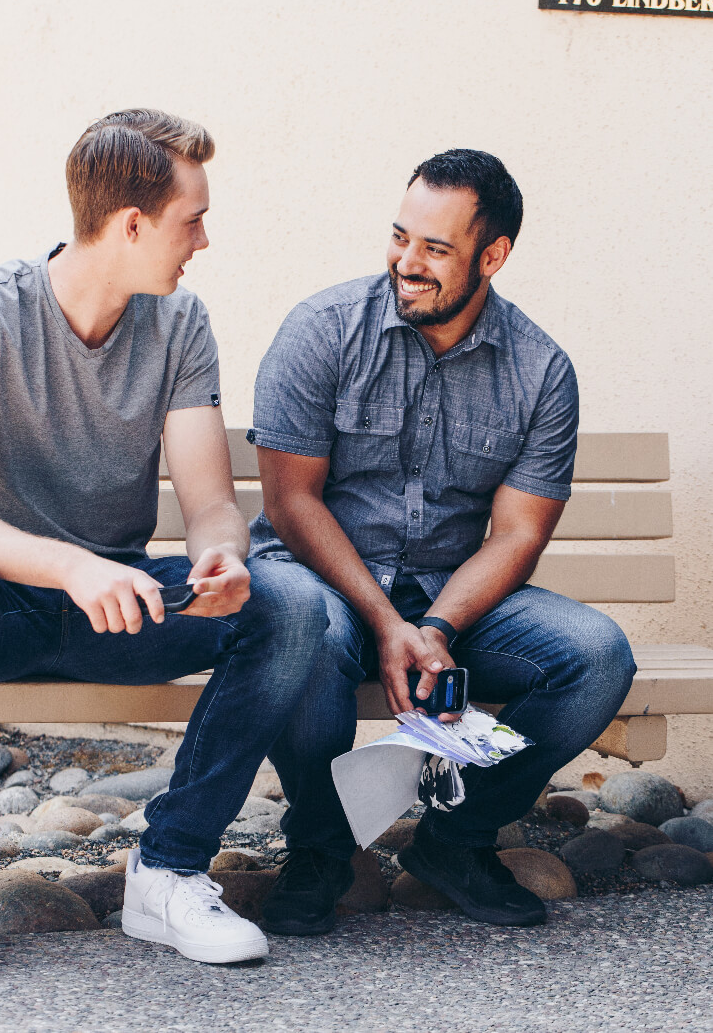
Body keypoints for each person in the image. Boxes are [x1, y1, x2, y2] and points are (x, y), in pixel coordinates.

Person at [0, 109, 328, 973]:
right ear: (132, 225)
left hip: (119, 609)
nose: (203, 239)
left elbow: (209, 500)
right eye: (191, 219)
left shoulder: (179, 325)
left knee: (291, 605)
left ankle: (167, 872)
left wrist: (222, 556)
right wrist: (70, 565)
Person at [248, 149, 636, 935]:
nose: (405, 262)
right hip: (321, 579)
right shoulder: (321, 331)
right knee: (298, 630)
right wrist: (386, 625)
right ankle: (321, 850)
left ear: (492, 257)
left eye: (434, 248)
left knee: (596, 655)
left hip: (449, 595)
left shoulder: (539, 371)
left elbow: (519, 534)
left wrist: (434, 628)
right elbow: (292, 503)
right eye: (399, 237)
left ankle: (454, 839)